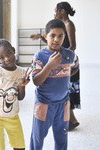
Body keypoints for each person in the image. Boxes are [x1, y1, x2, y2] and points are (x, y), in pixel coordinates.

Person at [29, 19, 79, 150]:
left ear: (65, 37)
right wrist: (49, 66)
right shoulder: (39, 56)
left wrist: (66, 74)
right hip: (44, 104)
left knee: (62, 138)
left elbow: (76, 66)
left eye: (60, 36)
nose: (56, 39)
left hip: (63, 104)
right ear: (46, 36)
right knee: (37, 138)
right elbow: (36, 81)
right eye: (52, 35)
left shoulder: (69, 55)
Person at [0, 39, 32, 150]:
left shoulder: (21, 72)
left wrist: (22, 85)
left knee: (20, 147)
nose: (7, 58)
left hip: (13, 117)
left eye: (8, 53)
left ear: (13, 50)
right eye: (2, 57)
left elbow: (20, 97)